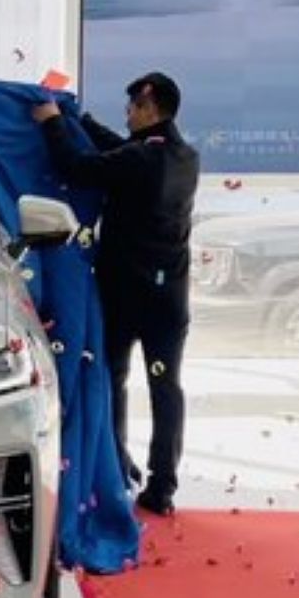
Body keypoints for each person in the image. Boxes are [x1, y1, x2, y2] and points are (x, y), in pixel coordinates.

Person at [30, 71, 199, 516]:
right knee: (166, 388)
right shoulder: (183, 156)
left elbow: (78, 167)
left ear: (149, 107)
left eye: (131, 108)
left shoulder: (141, 158)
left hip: (127, 297)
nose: (127, 115)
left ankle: (117, 470)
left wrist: (52, 122)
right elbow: (120, 150)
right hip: (169, 299)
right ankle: (162, 486)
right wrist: (80, 120)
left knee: (113, 382)